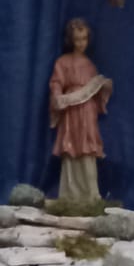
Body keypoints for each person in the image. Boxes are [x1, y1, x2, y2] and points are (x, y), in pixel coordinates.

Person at [48, 18, 113, 206]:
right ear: (71, 40)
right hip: (71, 111)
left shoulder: (90, 65)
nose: (81, 43)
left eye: (84, 39)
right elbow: (56, 82)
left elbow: (94, 90)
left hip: (87, 111)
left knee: (87, 147)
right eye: (77, 39)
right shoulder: (63, 62)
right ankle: (69, 194)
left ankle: (90, 194)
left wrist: (103, 87)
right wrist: (58, 96)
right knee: (70, 147)